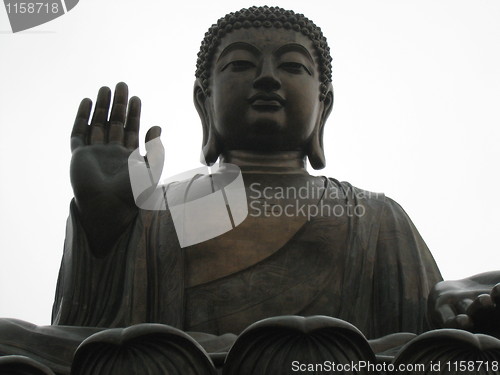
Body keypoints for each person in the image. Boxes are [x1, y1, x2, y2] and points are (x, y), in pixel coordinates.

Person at [1, 6, 499, 372]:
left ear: (323, 105)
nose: (265, 78)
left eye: (292, 66)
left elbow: (436, 342)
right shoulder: (161, 209)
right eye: (240, 65)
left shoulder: (375, 215)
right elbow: (91, 330)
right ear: (205, 101)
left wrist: (469, 311)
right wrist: (104, 226)